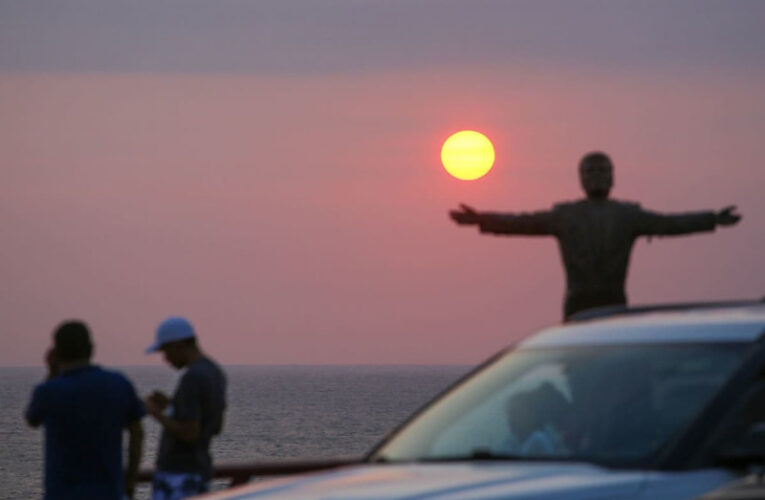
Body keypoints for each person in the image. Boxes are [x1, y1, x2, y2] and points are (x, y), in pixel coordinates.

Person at [449, 151, 742, 319]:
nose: (597, 177)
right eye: (591, 171)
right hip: (579, 303)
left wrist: (712, 219)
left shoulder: (628, 215)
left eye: (603, 171)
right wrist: (480, 220)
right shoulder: (565, 216)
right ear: (581, 178)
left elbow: (670, 224)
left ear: (613, 177)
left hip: (613, 300)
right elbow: (521, 223)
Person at [25, 320, 145, 500]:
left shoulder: (48, 392)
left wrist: (51, 372)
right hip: (109, 493)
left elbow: (32, 419)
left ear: (57, 353)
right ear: (91, 349)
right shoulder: (119, 384)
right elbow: (137, 433)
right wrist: (129, 483)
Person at [144, 316, 227, 500]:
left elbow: (189, 432)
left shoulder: (192, 378)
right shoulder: (214, 372)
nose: (166, 359)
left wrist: (154, 412)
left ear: (179, 345)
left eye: (166, 351)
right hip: (200, 472)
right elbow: (216, 425)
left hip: (178, 475)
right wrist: (173, 406)